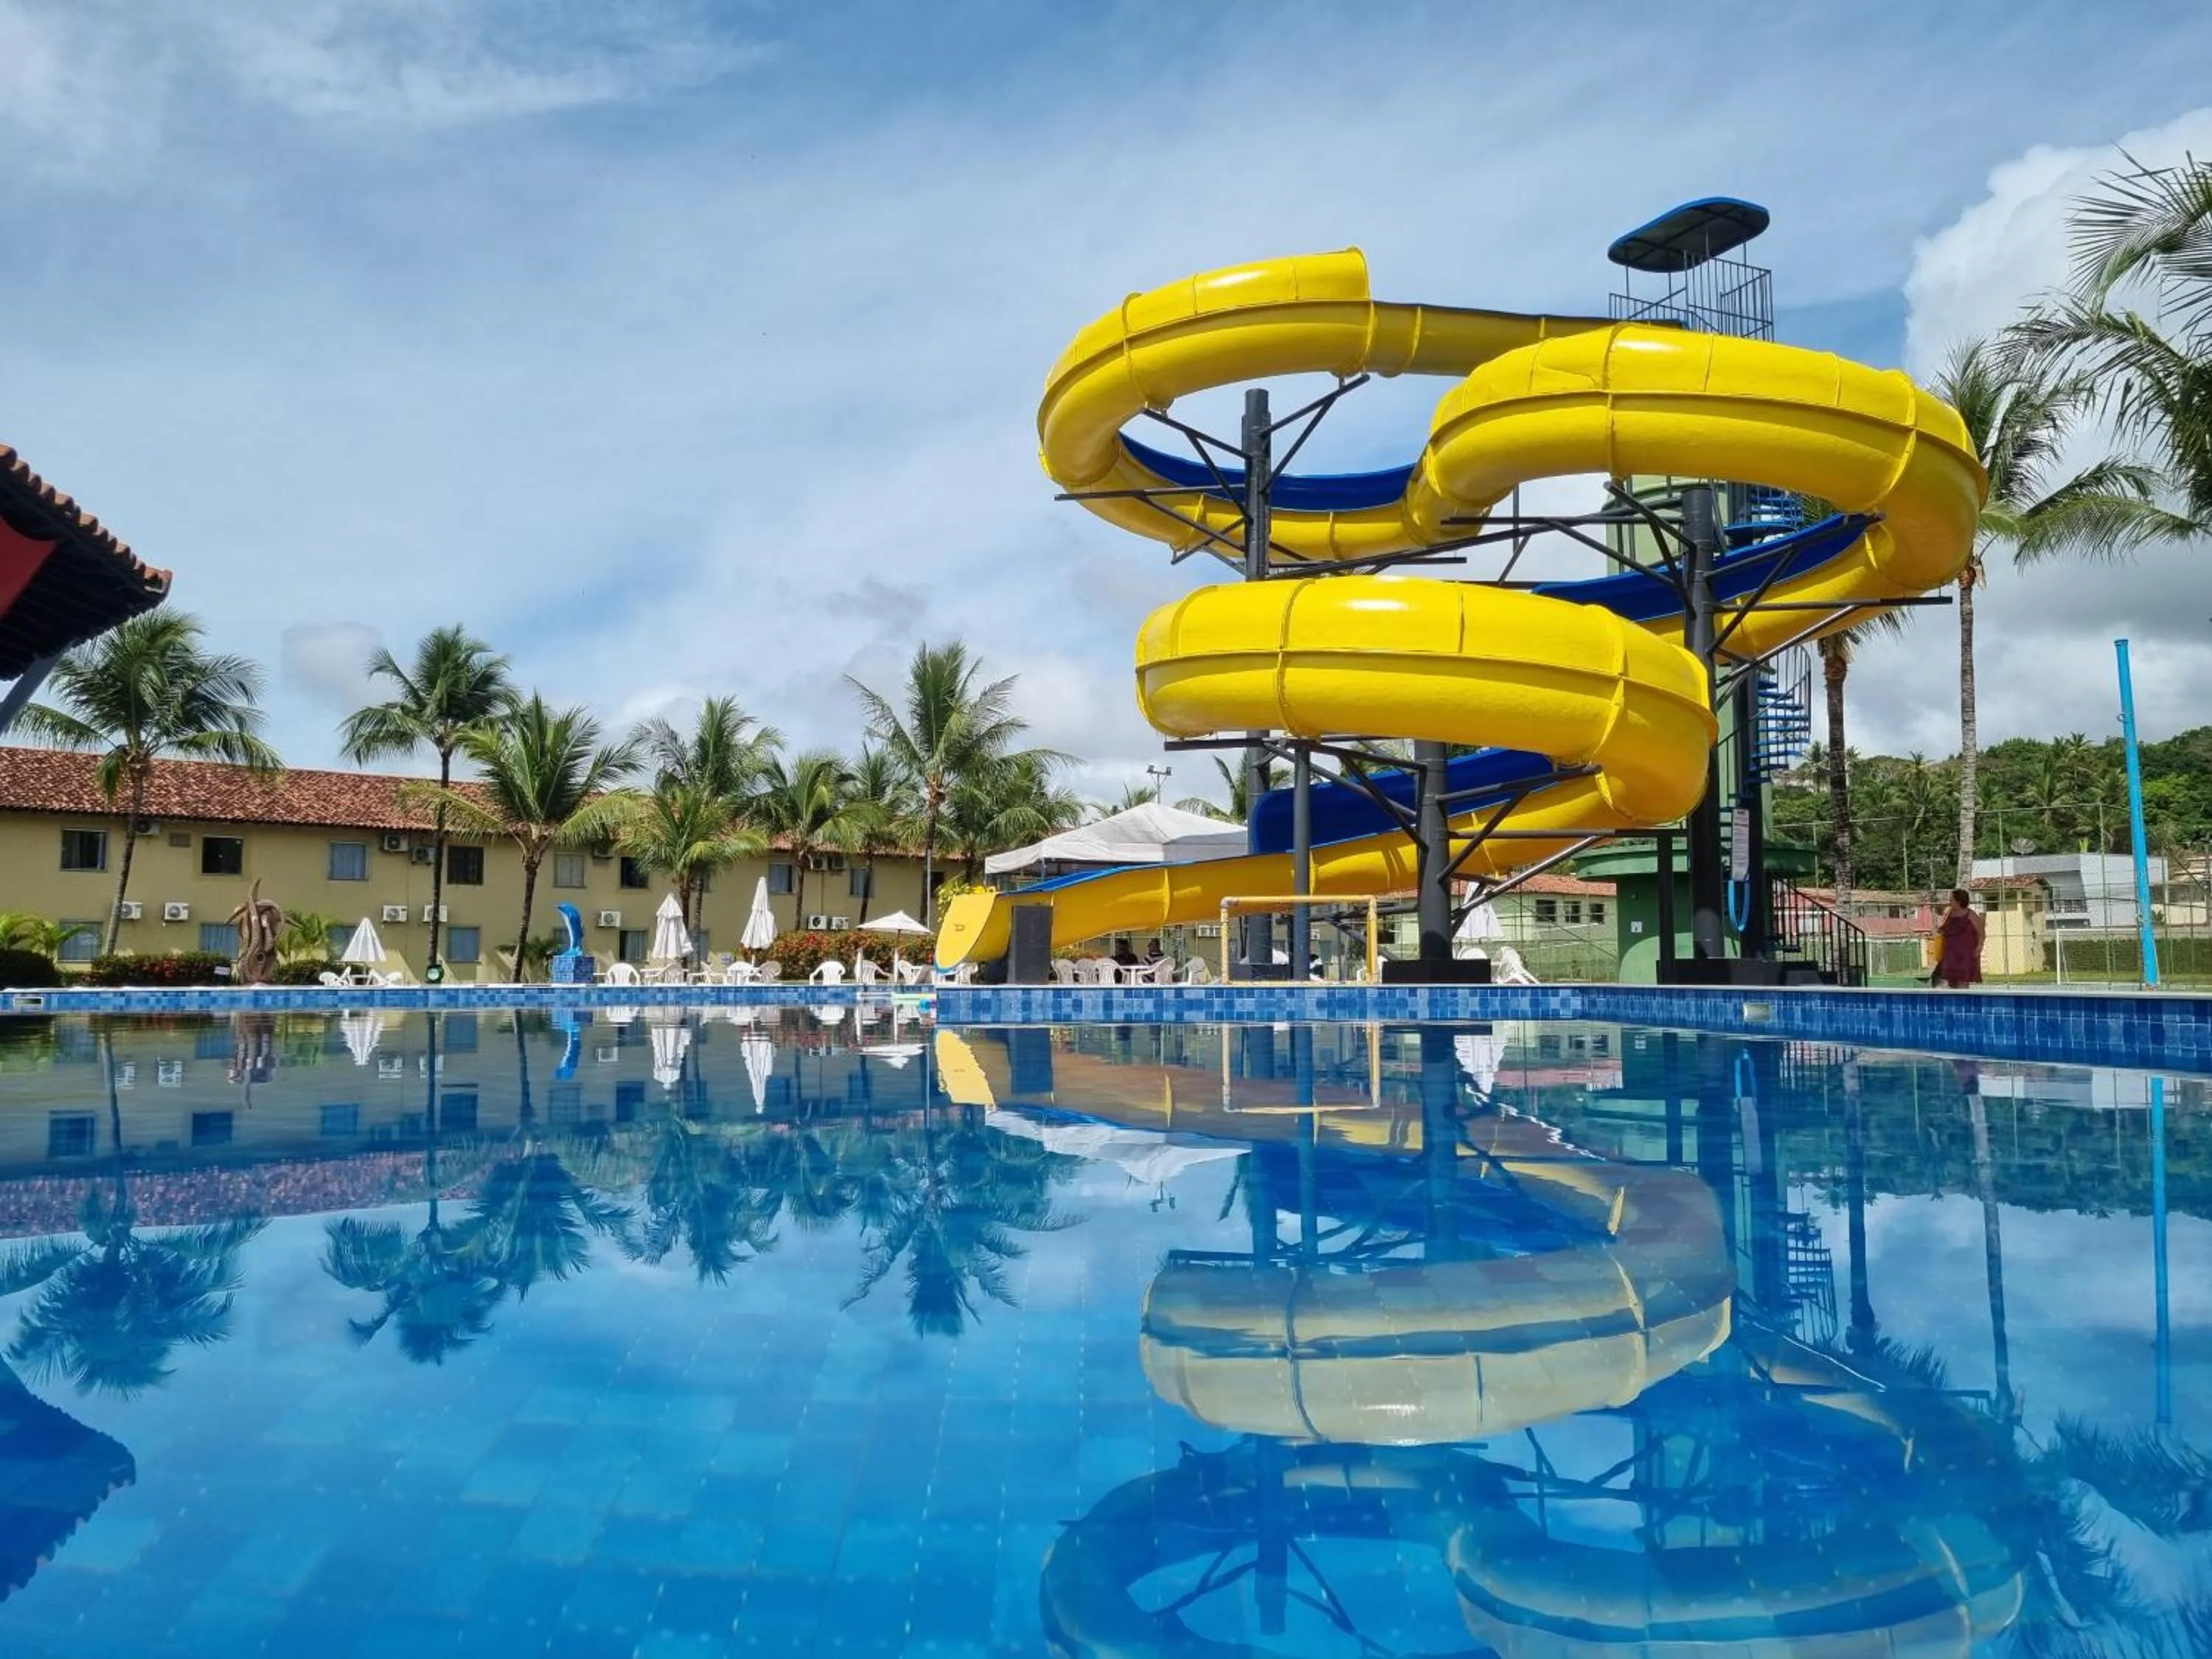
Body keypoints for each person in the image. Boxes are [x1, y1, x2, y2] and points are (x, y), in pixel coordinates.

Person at [1933, 888, 1984, 989]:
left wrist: (1979, 947)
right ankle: (1955, 1003)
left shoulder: (1971, 915)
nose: (1950, 902)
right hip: (1950, 951)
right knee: (1951, 980)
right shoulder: (1949, 913)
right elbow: (1943, 928)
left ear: (1959, 901)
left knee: (1963, 980)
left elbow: (1981, 932)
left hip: (1965, 953)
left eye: (1952, 899)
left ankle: (1965, 1002)